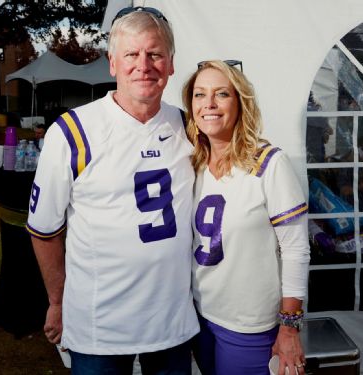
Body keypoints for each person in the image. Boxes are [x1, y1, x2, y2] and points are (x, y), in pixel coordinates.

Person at [26, 6, 199, 375]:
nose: (144, 64)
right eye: (132, 54)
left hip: (171, 323)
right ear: (112, 63)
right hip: (99, 326)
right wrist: (57, 301)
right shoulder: (73, 131)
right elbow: (44, 231)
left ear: (170, 64)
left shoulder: (189, 126)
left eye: (154, 54)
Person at [182, 60, 310, 375]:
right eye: (199, 95)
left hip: (248, 325)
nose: (208, 104)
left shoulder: (269, 163)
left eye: (221, 94)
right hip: (200, 316)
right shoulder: (191, 163)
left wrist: (289, 327)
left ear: (240, 102)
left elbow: (295, 248)